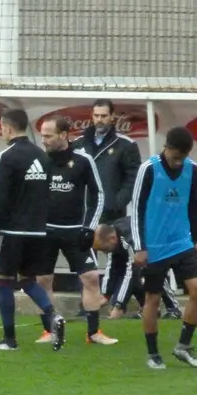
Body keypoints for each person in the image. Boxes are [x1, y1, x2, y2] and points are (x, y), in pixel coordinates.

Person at [0, 108, 66, 352]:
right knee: (28, 280)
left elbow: (2, 198)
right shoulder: (43, 156)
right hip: (38, 231)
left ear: (8, 128)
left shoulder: (7, 156)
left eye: (1, 128)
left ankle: (9, 340)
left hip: (13, 231)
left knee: (4, 280)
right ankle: (53, 316)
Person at [34, 116, 117, 345]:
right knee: (43, 280)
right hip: (45, 232)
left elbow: (98, 195)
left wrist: (89, 228)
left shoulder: (83, 160)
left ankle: (93, 333)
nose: (44, 140)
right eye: (42, 135)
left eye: (48, 135)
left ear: (63, 134)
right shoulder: (39, 160)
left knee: (91, 278)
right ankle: (48, 331)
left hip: (75, 231)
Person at [129, 126, 197, 370]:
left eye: (183, 157)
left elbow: (194, 208)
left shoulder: (192, 169)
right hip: (154, 246)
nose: (179, 162)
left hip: (182, 242)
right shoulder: (149, 169)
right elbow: (136, 209)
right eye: (175, 156)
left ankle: (183, 346)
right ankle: (153, 353)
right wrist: (140, 247)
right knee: (153, 299)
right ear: (166, 147)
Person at [72, 98, 142, 316]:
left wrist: (117, 202)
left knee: (120, 261)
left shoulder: (126, 145)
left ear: (113, 117)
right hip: (86, 214)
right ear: (91, 116)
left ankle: (121, 304)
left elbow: (133, 179)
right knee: (85, 262)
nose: (100, 120)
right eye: (96, 115)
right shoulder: (79, 143)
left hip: (113, 216)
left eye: (104, 115)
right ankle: (87, 307)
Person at [93, 218, 181, 319]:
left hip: (162, 242)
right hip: (143, 251)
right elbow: (111, 268)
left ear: (112, 238)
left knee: (153, 272)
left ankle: (173, 309)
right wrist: (106, 294)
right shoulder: (114, 234)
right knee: (132, 275)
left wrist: (119, 305)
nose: (105, 252)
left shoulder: (128, 239)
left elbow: (132, 270)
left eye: (104, 249)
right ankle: (149, 308)